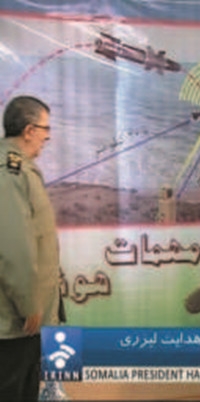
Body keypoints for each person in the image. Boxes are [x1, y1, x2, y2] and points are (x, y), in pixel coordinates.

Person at [0, 96, 65, 401]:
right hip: (18, 321)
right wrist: (29, 305)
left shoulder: (19, 169)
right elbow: (14, 247)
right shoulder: (11, 172)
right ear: (28, 131)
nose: (47, 137)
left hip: (26, 318)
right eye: (45, 129)